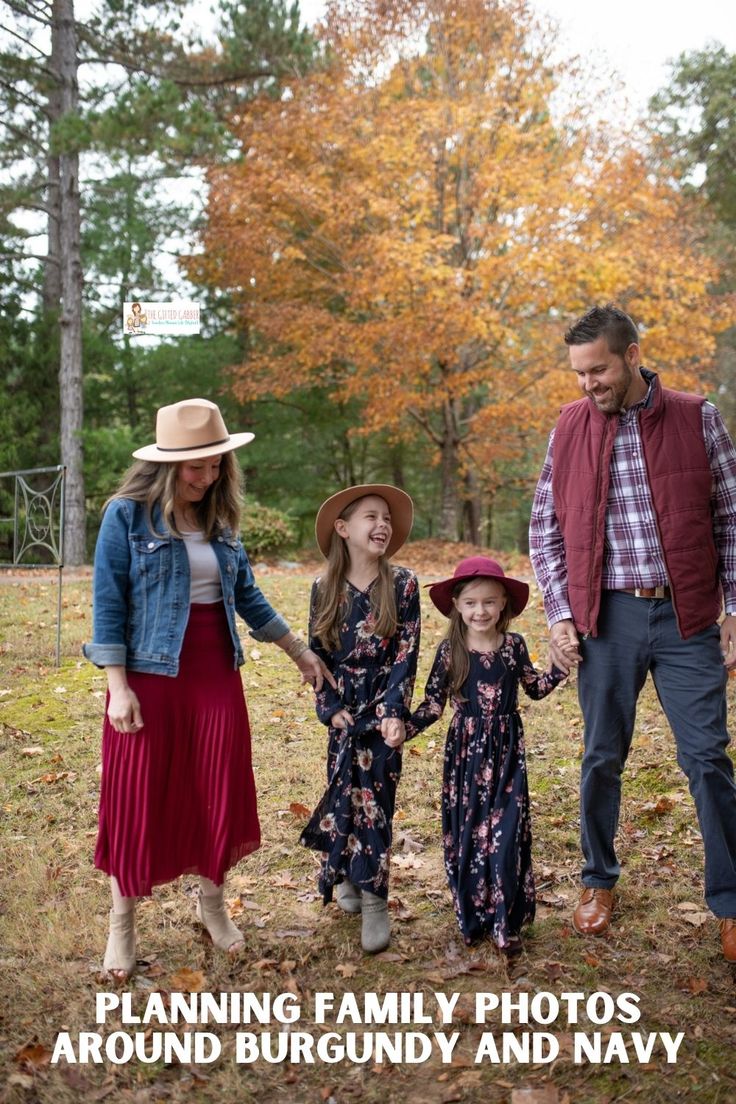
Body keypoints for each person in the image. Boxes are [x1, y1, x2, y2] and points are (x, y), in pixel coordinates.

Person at [84, 397, 332, 980]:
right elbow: (107, 604)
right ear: (167, 465)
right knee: (137, 794)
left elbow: (247, 596)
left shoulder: (219, 522)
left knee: (214, 786)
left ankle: (213, 907)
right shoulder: (126, 516)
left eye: (216, 463)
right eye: (196, 466)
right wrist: (118, 687)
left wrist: (299, 651)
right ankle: (122, 927)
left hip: (214, 671)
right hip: (149, 674)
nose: (208, 475)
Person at [529, 303, 736, 961]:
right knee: (601, 756)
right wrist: (561, 614)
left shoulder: (698, 416)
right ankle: (598, 881)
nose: (588, 384)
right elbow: (545, 531)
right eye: (580, 373)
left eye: (599, 370)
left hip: (688, 617)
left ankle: (730, 902)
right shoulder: (567, 428)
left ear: (633, 355)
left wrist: (735, 611)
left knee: (706, 757)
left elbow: (732, 520)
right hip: (607, 620)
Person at [406, 556, 565, 953]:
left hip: (508, 751)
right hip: (466, 755)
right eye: (472, 602)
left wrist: (559, 668)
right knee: (470, 835)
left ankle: (505, 922)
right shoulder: (450, 652)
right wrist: (400, 730)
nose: (481, 611)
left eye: (490, 602)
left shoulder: (513, 647)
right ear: (457, 605)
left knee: (506, 835)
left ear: (504, 606)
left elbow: (535, 687)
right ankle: (473, 917)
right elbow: (432, 706)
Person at [299, 484, 420, 953]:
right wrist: (329, 710)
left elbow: (407, 654)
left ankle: (375, 898)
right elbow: (318, 655)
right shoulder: (323, 587)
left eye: (387, 518)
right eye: (371, 516)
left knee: (378, 796)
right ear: (344, 529)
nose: (382, 524)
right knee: (344, 790)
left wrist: (394, 712)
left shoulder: (403, 583)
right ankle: (349, 874)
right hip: (344, 705)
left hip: (384, 701)